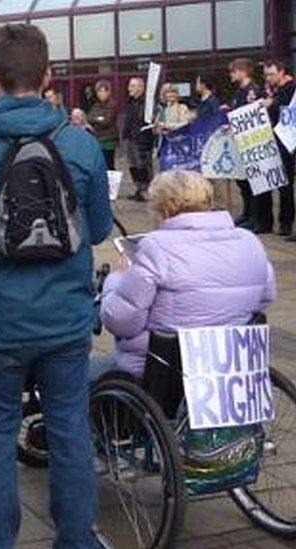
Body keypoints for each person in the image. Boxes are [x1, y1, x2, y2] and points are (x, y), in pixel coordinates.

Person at [0, 24, 112, 549]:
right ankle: (76, 541)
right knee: (71, 431)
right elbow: (97, 229)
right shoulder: (80, 146)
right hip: (65, 321)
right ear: (49, 76)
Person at [97, 171, 275, 379]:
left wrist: (116, 280)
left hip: (165, 369)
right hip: (231, 362)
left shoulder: (156, 247)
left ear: (163, 210)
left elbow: (120, 321)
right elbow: (266, 296)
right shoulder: (248, 241)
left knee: (84, 376)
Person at [228, 58, 265, 231]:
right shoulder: (239, 92)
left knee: (254, 183)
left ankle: (257, 218)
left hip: (252, 142)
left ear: (243, 71)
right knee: (243, 182)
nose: (231, 75)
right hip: (240, 142)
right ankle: (248, 213)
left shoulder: (254, 91)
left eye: (234, 71)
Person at [261, 59, 296, 238]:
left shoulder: (291, 88)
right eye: (266, 75)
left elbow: (288, 112)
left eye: (272, 74)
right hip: (279, 141)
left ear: (282, 72)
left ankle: (287, 222)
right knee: (283, 184)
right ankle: (284, 223)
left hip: (289, 142)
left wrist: (271, 104)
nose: (268, 78)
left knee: (287, 185)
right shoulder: (275, 90)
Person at [123, 77, 155, 202]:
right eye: (130, 85)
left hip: (142, 139)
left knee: (143, 166)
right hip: (130, 138)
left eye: (132, 86)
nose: (129, 88)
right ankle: (138, 189)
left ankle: (147, 190)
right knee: (133, 165)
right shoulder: (131, 101)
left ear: (141, 88)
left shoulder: (147, 103)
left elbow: (148, 121)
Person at [87, 80, 118, 170]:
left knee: (109, 165)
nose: (101, 94)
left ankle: (112, 183)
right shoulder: (96, 105)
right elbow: (89, 117)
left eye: (103, 91)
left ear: (108, 92)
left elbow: (106, 121)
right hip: (97, 139)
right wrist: (98, 118)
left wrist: (96, 119)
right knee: (99, 165)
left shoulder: (112, 105)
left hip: (108, 140)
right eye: (99, 91)